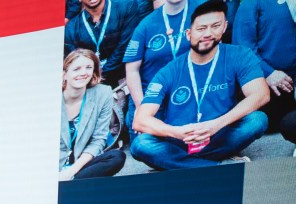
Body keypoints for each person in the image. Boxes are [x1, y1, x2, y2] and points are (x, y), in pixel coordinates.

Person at [132, 0, 270, 169]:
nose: (208, 33)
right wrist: (176, 132)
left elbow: (261, 94)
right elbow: (140, 120)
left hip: (220, 134)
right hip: (179, 140)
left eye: (215, 26)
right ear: (189, 34)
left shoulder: (239, 55)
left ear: (225, 27)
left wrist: (215, 125)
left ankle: (181, 165)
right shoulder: (169, 70)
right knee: (141, 144)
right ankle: (216, 166)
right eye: (201, 29)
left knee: (258, 120)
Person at [124, 0, 191, 129]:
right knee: (144, 145)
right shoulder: (146, 24)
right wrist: (141, 107)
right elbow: (132, 70)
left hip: (188, 93)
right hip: (152, 96)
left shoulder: (202, 12)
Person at [60, 49, 127, 180]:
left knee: (116, 157)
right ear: (64, 74)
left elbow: (98, 139)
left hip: (79, 163)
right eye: (77, 69)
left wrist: (71, 171)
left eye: (89, 67)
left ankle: (72, 181)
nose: (83, 73)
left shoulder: (103, 93)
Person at [232, 0, 296, 130]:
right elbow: (242, 47)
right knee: (284, 124)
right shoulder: (252, 3)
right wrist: (268, 73)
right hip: (274, 79)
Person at [64, 0, 143, 87]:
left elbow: (126, 47)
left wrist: (100, 74)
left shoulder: (127, 7)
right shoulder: (71, 28)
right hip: (90, 84)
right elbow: (74, 60)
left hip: (124, 78)